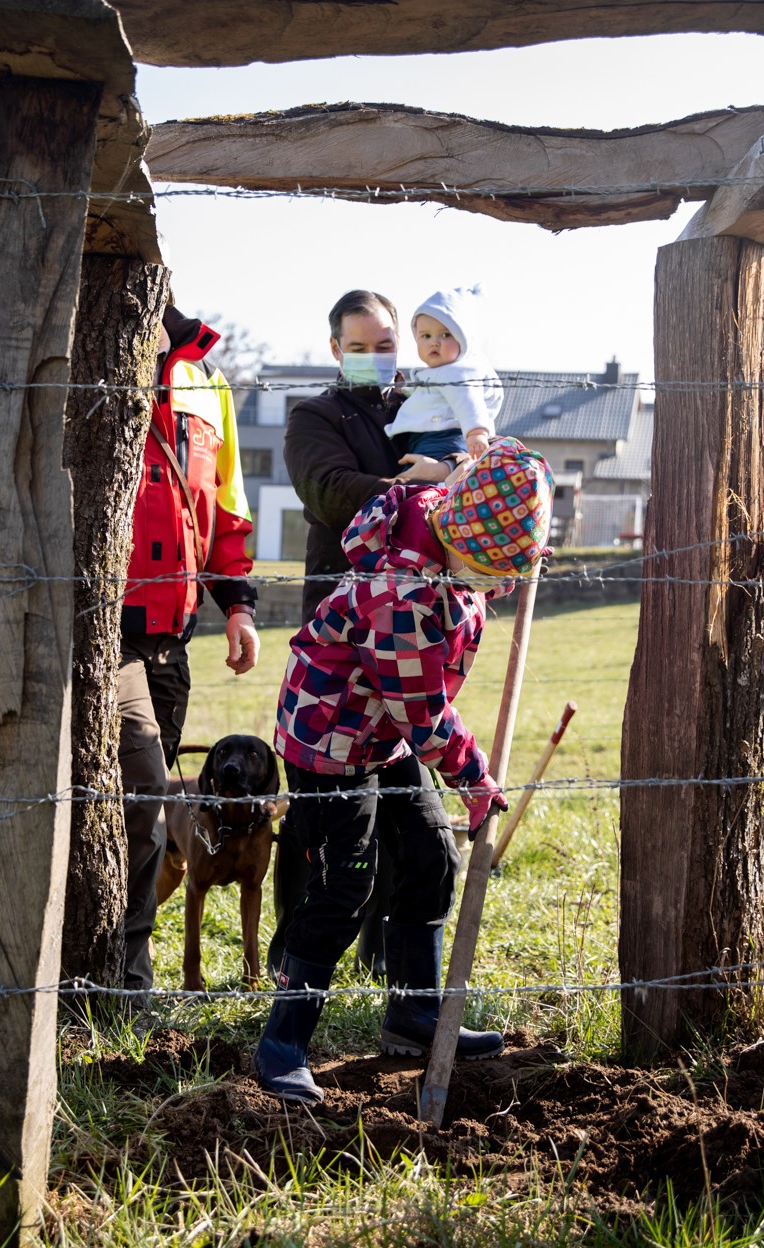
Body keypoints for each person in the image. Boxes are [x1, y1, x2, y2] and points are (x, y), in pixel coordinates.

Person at [255, 439, 556, 1104]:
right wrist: (474, 776)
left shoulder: (450, 533)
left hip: (385, 734)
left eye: (511, 572)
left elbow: (487, 461)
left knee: (429, 859)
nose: (500, 586)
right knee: (345, 886)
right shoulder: (400, 595)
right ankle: (283, 1043)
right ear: (455, 537)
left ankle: (414, 1013)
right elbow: (422, 714)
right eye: (488, 570)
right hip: (331, 738)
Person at [273, 289, 454, 979]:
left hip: (410, 645)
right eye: (361, 347)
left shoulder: (424, 404)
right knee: (336, 854)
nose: (377, 359)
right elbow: (327, 488)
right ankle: (289, 993)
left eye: (386, 346)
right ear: (334, 351)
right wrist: (428, 490)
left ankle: (412, 1007)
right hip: (343, 658)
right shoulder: (314, 417)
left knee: (429, 846)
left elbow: (471, 450)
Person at [118, 303, 261, 995]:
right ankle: (125, 977)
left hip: (172, 636)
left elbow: (224, 507)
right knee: (134, 799)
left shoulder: (209, 382)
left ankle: (118, 965)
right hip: (100, 625)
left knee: (140, 812)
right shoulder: (84, 352)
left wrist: (237, 605)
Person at [387, 287, 502, 464]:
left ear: (464, 339)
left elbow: (469, 401)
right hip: (431, 436)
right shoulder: (441, 371)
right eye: (425, 336)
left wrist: (476, 432)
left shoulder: (457, 372)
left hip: (444, 437)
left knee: (421, 483)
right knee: (419, 480)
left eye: (446, 334)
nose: (434, 342)